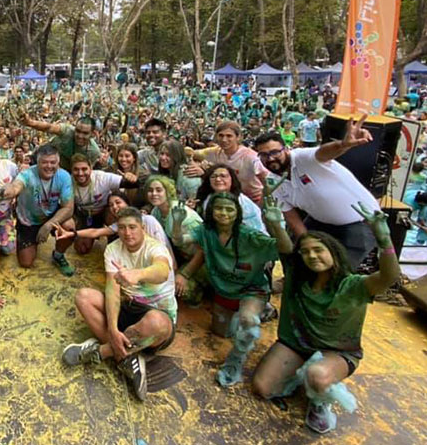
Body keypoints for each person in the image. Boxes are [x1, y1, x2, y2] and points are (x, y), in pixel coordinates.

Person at [252, 201, 401, 434]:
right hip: (296, 345)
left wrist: (384, 241)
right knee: (263, 387)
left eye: (318, 250)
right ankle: (300, 373)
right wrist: (275, 224)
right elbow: (283, 247)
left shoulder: (353, 285)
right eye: (305, 252)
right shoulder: (296, 276)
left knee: (318, 375)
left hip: (338, 351)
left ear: (334, 253)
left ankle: (321, 401)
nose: (311, 256)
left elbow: (389, 277)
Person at [61, 207, 176, 401]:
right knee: (83, 297)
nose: (127, 233)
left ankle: (102, 352)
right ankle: (129, 356)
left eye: (132, 227)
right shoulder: (113, 249)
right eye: (122, 228)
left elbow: (162, 270)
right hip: (128, 306)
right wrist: (113, 329)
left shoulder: (155, 248)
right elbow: (112, 292)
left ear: (142, 228)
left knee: (155, 323)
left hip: (157, 318)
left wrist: (137, 274)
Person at [171, 192, 284, 387]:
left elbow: (284, 249)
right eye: (218, 208)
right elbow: (180, 240)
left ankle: (235, 361)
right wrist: (177, 222)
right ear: (211, 211)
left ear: (237, 213)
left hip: (251, 289)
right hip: (224, 291)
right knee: (222, 333)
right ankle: (262, 311)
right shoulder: (206, 231)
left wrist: (277, 225)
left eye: (229, 209)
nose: (223, 213)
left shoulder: (250, 236)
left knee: (248, 321)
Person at [253, 118, 380, 267]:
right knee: (296, 256)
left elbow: (323, 152)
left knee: (338, 269)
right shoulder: (273, 182)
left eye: (275, 152)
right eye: (263, 155)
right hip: (320, 222)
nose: (270, 158)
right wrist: (307, 244)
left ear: (286, 149)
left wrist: (343, 144)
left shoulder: (302, 157)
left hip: (359, 223)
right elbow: (292, 218)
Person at [0, 143, 74, 273]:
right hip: (28, 220)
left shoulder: (64, 176)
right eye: (44, 162)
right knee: (26, 262)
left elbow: (68, 207)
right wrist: (4, 192)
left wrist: (48, 225)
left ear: (58, 162)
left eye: (53, 162)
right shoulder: (27, 174)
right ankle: (31, 239)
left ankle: (58, 255)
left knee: (69, 226)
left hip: (50, 216)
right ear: (37, 162)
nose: (49, 166)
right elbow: (15, 186)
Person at [144, 175, 207, 306]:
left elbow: (203, 250)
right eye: (150, 190)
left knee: (183, 291)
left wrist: (184, 274)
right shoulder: (157, 211)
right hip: (181, 256)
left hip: (201, 260)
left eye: (159, 190)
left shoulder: (184, 215)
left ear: (168, 192)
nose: (154, 194)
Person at [188, 120, 269, 204]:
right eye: (221, 135)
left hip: (252, 201)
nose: (224, 139)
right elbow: (188, 152)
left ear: (238, 137)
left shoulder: (251, 157)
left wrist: (261, 204)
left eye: (229, 136)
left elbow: (267, 182)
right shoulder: (214, 152)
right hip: (225, 199)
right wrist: (196, 165)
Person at [19, 114, 101, 171]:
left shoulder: (93, 151)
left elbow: (86, 171)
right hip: (45, 157)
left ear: (92, 134)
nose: (80, 136)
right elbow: (49, 127)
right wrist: (30, 122)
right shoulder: (68, 130)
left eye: (85, 133)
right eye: (78, 131)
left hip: (65, 172)